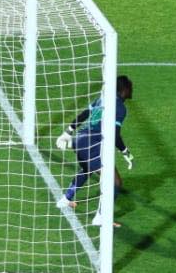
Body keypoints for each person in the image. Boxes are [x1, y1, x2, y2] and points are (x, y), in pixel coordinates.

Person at [56, 76, 133, 227]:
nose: (132, 89)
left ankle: (65, 200)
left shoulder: (103, 98)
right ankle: (100, 217)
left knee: (87, 169)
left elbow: (85, 113)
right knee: (115, 182)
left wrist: (69, 131)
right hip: (91, 145)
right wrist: (125, 151)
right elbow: (115, 135)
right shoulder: (120, 108)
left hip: (80, 140)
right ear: (124, 90)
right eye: (130, 87)